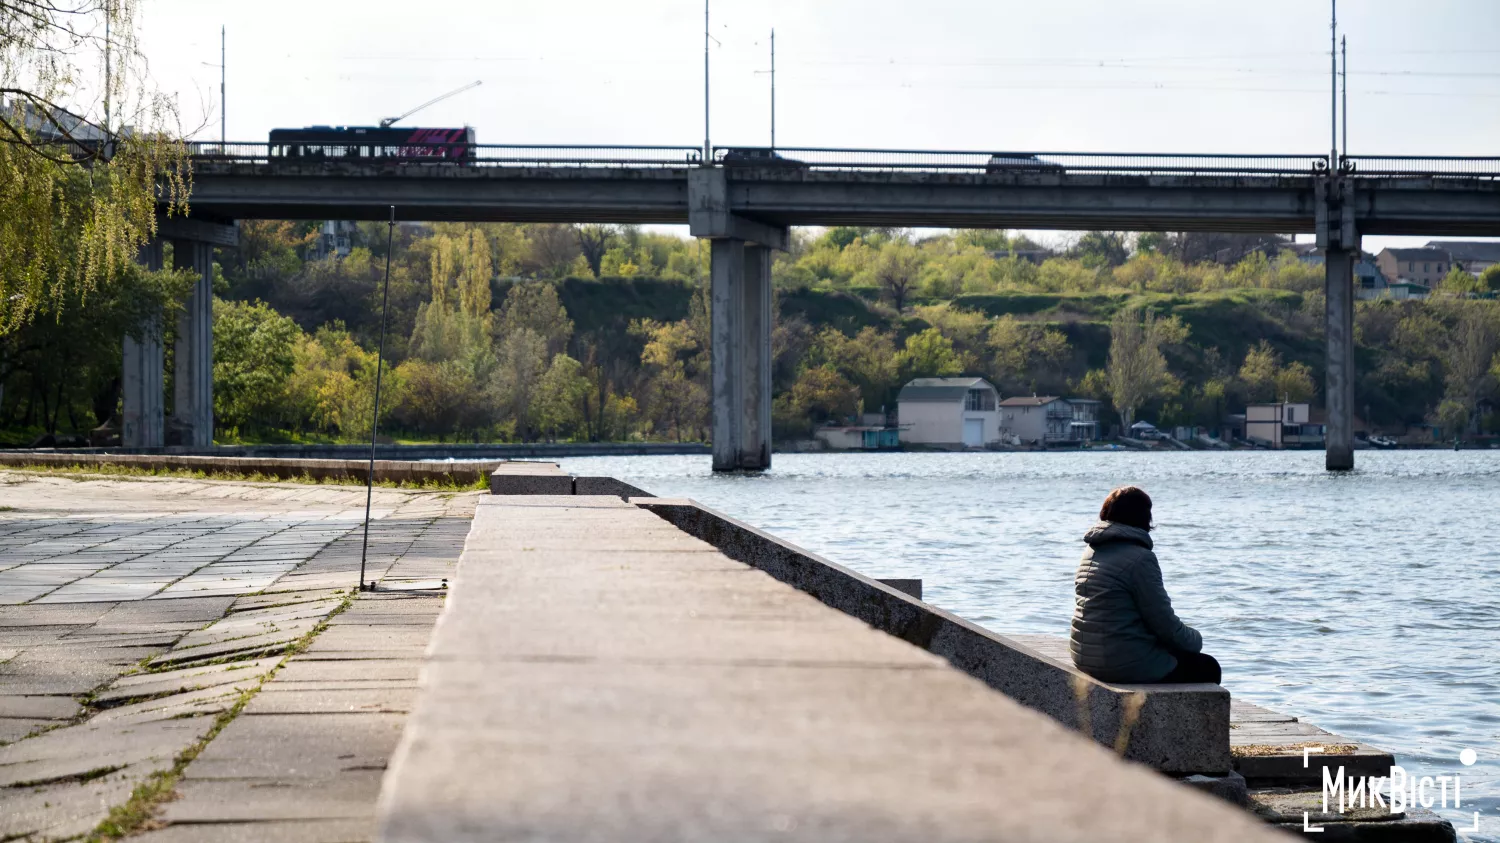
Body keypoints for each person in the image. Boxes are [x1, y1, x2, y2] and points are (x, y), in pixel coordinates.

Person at [1069, 486, 1221, 685]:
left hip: (1084, 656)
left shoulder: (1091, 550)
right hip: (1120, 664)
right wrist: (1195, 639)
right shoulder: (1140, 559)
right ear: (1143, 518)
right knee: (1208, 667)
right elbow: (1163, 622)